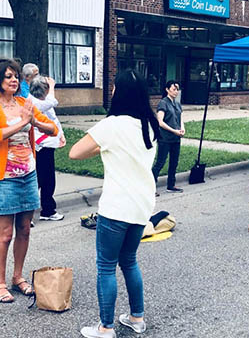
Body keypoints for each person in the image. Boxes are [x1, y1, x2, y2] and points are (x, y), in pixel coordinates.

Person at [69, 70, 160, 338]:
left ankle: (105, 327)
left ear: (120, 92)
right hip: (141, 206)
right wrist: (107, 148)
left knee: (106, 266)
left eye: (113, 87)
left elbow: (75, 153)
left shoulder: (111, 125)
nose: (111, 91)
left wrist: (102, 147)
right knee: (129, 262)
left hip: (116, 207)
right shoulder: (149, 124)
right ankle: (136, 318)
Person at [0, 57, 57, 303]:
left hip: (28, 175)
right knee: (5, 233)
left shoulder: (25, 103)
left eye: (15, 76)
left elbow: (52, 128)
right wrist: (23, 122)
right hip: (4, 177)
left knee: (24, 230)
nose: (14, 80)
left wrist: (33, 120)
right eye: (8, 76)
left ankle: (18, 277)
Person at [29, 75, 66, 221]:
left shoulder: (45, 103)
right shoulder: (33, 103)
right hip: (39, 146)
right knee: (38, 179)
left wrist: (60, 135)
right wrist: (52, 87)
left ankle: (48, 209)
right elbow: (53, 102)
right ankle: (29, 214)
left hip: (48, 144)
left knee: (48, 179)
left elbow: (54, 120)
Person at [151, 80, 184, 194]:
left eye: (177, 89)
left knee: (174, 162)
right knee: (160, 162)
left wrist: (181, 128)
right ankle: (150, 188)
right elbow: (160, 122)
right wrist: (174, 131)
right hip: (165, 138)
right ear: (167, 89)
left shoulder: (177, 103)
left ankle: (171, 185)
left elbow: (181, 118)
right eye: (173, 89)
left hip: (176, 138)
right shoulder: (163, 103)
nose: (176, 92)